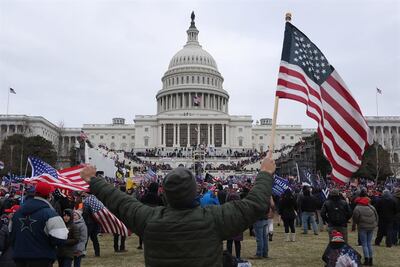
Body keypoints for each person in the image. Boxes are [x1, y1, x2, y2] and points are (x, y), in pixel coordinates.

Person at [80, 155, 275, 266]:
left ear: (165, 194)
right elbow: (254, 204)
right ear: (195, 192)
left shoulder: (149, 220)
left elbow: (120, 202)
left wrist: (94, 180)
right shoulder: (213, 219)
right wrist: (265, 173)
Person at [10, 182, 69, 267]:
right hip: (42, 258)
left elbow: (11, 233)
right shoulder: (50, 214)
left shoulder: (17, 213)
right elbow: (61, 238)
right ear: (49, 195)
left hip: (19, 258)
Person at [352, 190, 378, 266]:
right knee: (369, 243)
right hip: (371, 226)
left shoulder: (357, 208)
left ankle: (366, 259)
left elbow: (355, 218)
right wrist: (375, 224)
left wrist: (357, 224)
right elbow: (376, 216)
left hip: (362, 227)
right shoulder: (372, 207)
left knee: (364, 244)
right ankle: (371, 260)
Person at [225, 192, 243, 260]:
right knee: (237, 242)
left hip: (229, 225)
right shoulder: (240, 207)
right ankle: (238, 257)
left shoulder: (227, 206)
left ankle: (229, 257)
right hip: (237, 226)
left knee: (229, 242)